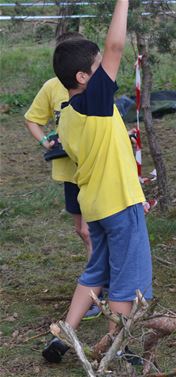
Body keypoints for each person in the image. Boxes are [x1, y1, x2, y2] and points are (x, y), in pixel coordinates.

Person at [42, 0, 153, 363]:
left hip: (95, 205)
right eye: (96, 69)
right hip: (118, 204)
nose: (105, 73)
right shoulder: (95, 102)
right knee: (125, 278)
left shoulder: (67, 113)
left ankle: (63, 334)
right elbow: (115, 47)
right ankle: (117, 348)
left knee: (97, 269)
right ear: (83, 78)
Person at [24, 32, 101, 320]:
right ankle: (96, 278)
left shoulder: (96, 88)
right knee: (83, 230)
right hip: (70, 172)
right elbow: (32, 119)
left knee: (96, 231)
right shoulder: (52, 88)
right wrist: (47, 142)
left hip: (93, 171)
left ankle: (97, 288)